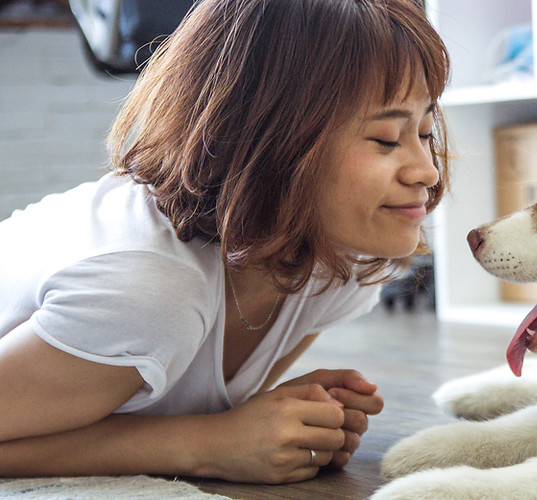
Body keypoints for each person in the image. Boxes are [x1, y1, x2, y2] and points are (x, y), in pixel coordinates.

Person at [0, 0, 449, 484]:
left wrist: (279, 420)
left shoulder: (338, 258)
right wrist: (205, 445)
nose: (427, 170)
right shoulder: (147, 290)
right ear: (268, 139)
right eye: (385, 138)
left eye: (424, 131)